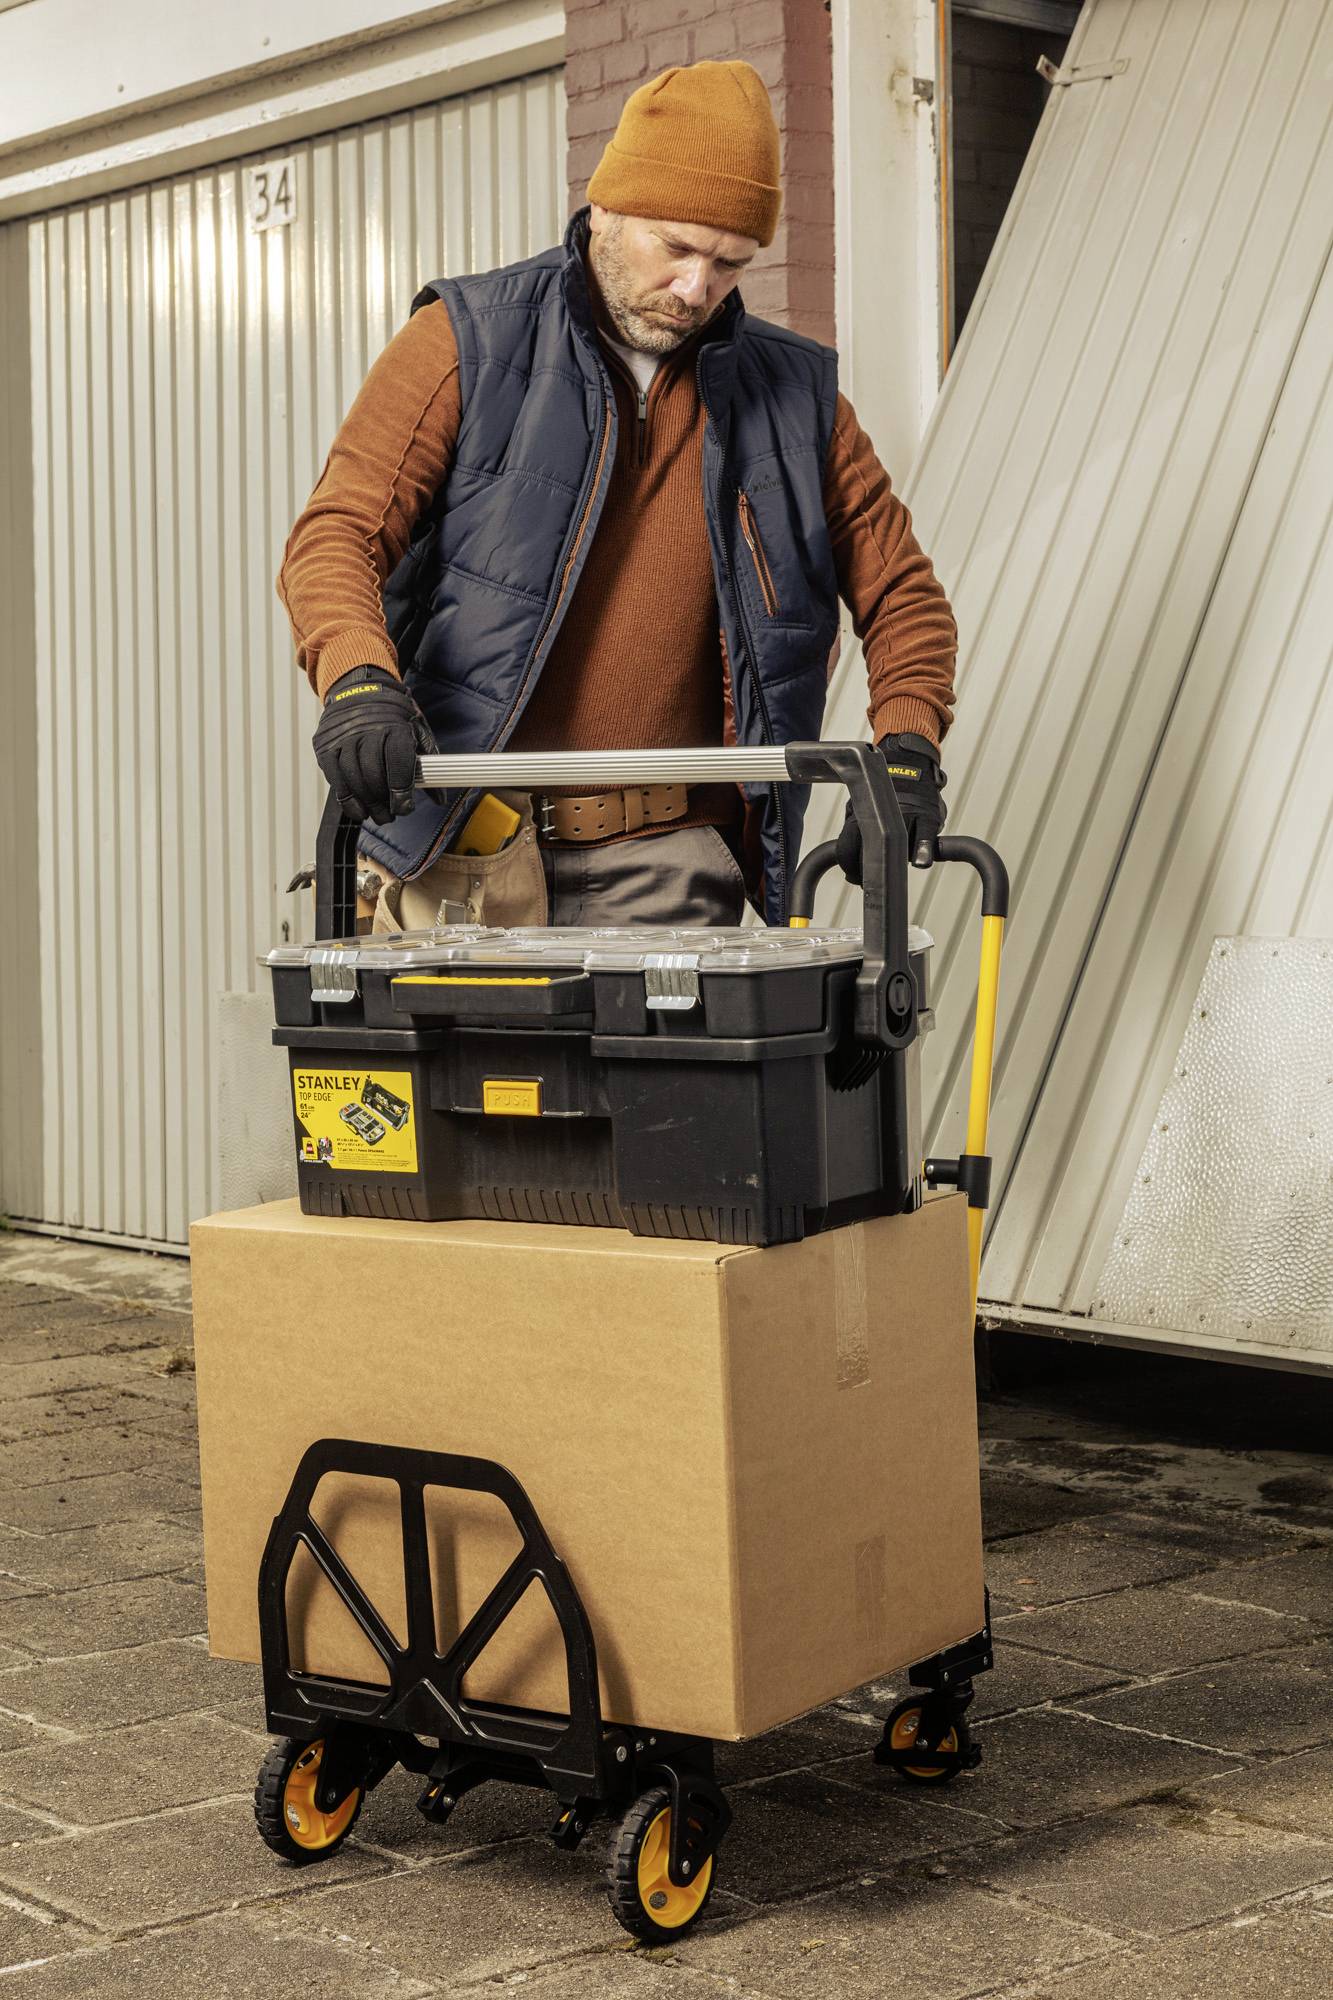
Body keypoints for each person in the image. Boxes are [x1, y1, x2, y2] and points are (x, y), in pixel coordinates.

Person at [278, 58, 957, 932]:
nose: (696, 289)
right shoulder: (463, 341)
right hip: (462, 850)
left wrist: (904, 750)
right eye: (675, 247)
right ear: (606, 206)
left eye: (729, 264)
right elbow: (336, 536)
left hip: (671, 866)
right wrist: (357, 682)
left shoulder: (798, 402)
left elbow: (903, 595)